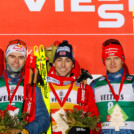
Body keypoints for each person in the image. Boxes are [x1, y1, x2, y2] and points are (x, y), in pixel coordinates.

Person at [47, 40, 100, 134]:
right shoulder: (43, 88)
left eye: (67, 60)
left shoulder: (84, 89)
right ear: (53, 63)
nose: (63, 64)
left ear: (73, 65)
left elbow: (95, 123)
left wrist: (85, 131)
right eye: (59, 60)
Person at [0, 39, 50, 134]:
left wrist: (26, 131)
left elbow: (44, 119)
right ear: (6, 58)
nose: (16, 61)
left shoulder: (31, 87)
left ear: (25, 61)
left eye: (21, 57)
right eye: (12, 56)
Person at [90, 39, 134, 134]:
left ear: (122, 60)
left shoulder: (132, 83)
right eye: (108, 59)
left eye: (116, 58)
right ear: (104, 61)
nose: (112, 63)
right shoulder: (95, 85)